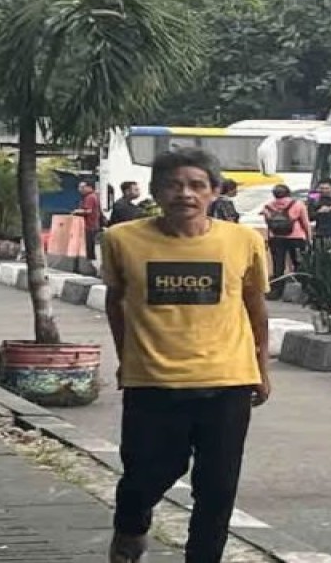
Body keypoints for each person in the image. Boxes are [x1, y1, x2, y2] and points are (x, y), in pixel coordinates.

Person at [102, 148, 271, 563]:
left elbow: (256, 306)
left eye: (197, 185)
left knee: (217, 486)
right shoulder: (122, 239)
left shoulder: (243, 240)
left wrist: (261, 368)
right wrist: (127, 357)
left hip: (227, 380)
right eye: (174, 185)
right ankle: (132, 524)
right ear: (156, 191)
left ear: (215, 192)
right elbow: (115, 302)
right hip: (152, 382)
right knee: (145, 476)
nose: (185, 194)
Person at [262, 185, 313, 287]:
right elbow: (305, 223)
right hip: (296, 238)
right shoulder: (298, 204)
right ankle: (301, 287)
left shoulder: (267, 206)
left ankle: (277, 289)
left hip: (276, 238)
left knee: (278, 265)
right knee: (298, 264)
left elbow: (268, 224)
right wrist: (309, 238)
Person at [74, 181, 104, 263]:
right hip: (93, 225)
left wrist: (76, 211)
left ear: (89, 187)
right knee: (90, 246)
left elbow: (88, 211)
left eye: (82, 187)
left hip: (89, 225)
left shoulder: (90, 197)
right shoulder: (94, 196)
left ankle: (91, 264)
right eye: (79, 187)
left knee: (89, 247)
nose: (80, 190)